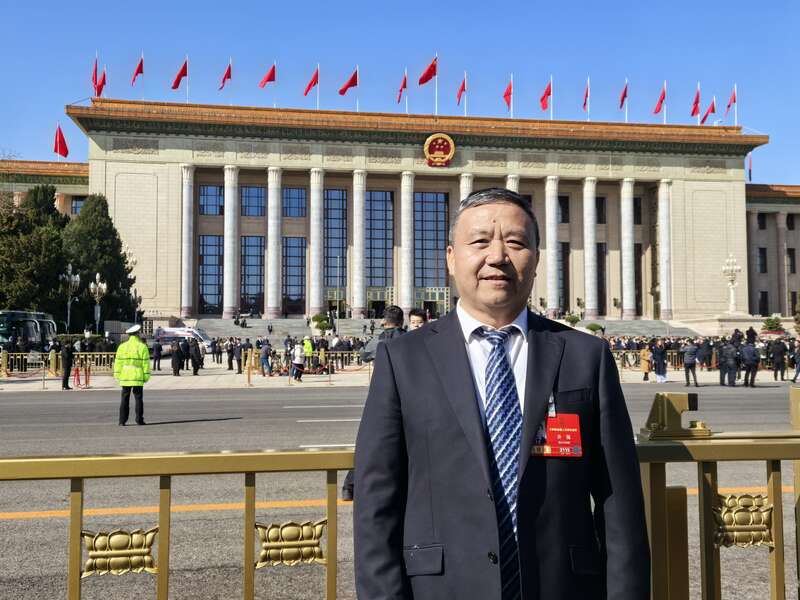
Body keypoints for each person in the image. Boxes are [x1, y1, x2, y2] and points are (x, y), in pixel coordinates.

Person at [353, 188, 649, 600]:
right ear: (451, 258)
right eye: (480, 241)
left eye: (515, 242)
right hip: (442, 588)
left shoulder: (586, 357)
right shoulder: (404, 360)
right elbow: (376, 500)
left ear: (536, 259)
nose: (497, 256)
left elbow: (620, 503)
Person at [113, 324, 151, 426]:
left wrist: (117, 374)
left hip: (125, 376)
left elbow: (118, 362)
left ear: (129, 335)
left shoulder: (122, 346)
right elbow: (146, 363)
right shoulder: (142, 347)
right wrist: (146, 376)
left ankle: (122, 421)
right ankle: (139, 419)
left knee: (124, 399)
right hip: (137, 376)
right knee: (138, 399)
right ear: (138, 334)